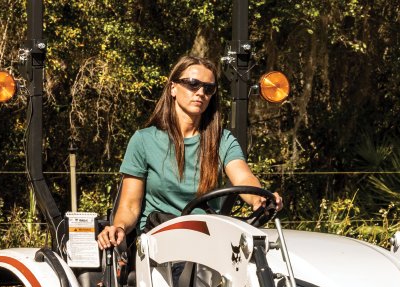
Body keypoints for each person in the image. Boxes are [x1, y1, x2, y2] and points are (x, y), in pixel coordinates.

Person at [97, 54, 281, 251]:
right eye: (193, 84)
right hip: (159, 243)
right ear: (173, 88)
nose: (200, 92)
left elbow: (244, 177)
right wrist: (118, 227)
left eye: (208, 88)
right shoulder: (143, 141)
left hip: (207, 241)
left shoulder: (222, 140)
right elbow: (130, 205)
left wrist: (259, 199)